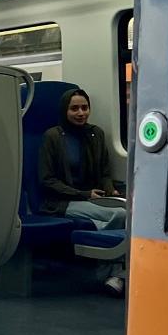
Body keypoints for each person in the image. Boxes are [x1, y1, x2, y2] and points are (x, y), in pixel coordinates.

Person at [39, 88, 128, 295]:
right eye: (74, 109)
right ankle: (113, 273)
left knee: (128, 210)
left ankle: (113, 272)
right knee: (118, 214)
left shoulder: (96, 134)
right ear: (64, 111)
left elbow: (104, 172)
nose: (81, 113)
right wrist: (83, 194)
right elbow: (47, 180)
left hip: (92, 197)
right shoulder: (52, 136)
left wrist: (110, 190)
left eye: (84, 108)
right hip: (61, 201)